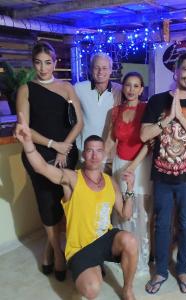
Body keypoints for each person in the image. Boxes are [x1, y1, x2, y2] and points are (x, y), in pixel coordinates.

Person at [15, 112, 138, 300]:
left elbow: (125, 214)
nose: (94, 155)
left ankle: (127, 289)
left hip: (104, 239)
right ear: (83, 153)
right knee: (91, 289)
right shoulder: (72, 178)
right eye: (89, 150)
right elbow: (42, 167)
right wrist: (28, 144)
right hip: (80, 248)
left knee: (130, 240)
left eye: (98, 151)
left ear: (104, 154)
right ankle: (90, 271)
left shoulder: (110, 181)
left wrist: (130, 188)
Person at [141, 52, 186, 294]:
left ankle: (181, 268)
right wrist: (168, 118)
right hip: (162, 176)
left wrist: (182, 117)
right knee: (161, 224)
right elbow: (143, 135)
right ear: (176, 71)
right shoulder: (156, 101)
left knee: (184, 225)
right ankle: (161, 270)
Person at [16, 41, 83, 281]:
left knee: (63, 203)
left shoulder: (67, 88)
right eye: (38, 63)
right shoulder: (26, 89)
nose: (43, 68)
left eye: (47, 62)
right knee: (46, 204)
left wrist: (65, 148)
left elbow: (79, 123)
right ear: (32, 64)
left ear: (55, 63)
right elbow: (24, 128)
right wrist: (54, 145)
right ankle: (57, 253)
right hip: (39, 154)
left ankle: (49, 248)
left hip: (67, 153)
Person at [105, 72, 152, 275]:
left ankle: (140, 260)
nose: (131, 89)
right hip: (118, 164)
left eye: (136, 86)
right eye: (128, 85)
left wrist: (132, 166)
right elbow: (109, 140)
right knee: (121, 208)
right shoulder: (114, 111)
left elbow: (149, 143)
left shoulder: (147, 108)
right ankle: (122, 254)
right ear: (122, 88)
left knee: (141, 212)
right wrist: (98, 162)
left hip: (140, 165)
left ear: (142, 89)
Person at [74, 53, 122, 160]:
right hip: (84, 151)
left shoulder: (119, 90)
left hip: (110, 152)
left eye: (105, 68)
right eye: (97, 68)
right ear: (91, 69)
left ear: (110, 70)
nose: (100, 72)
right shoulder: (79, 88)